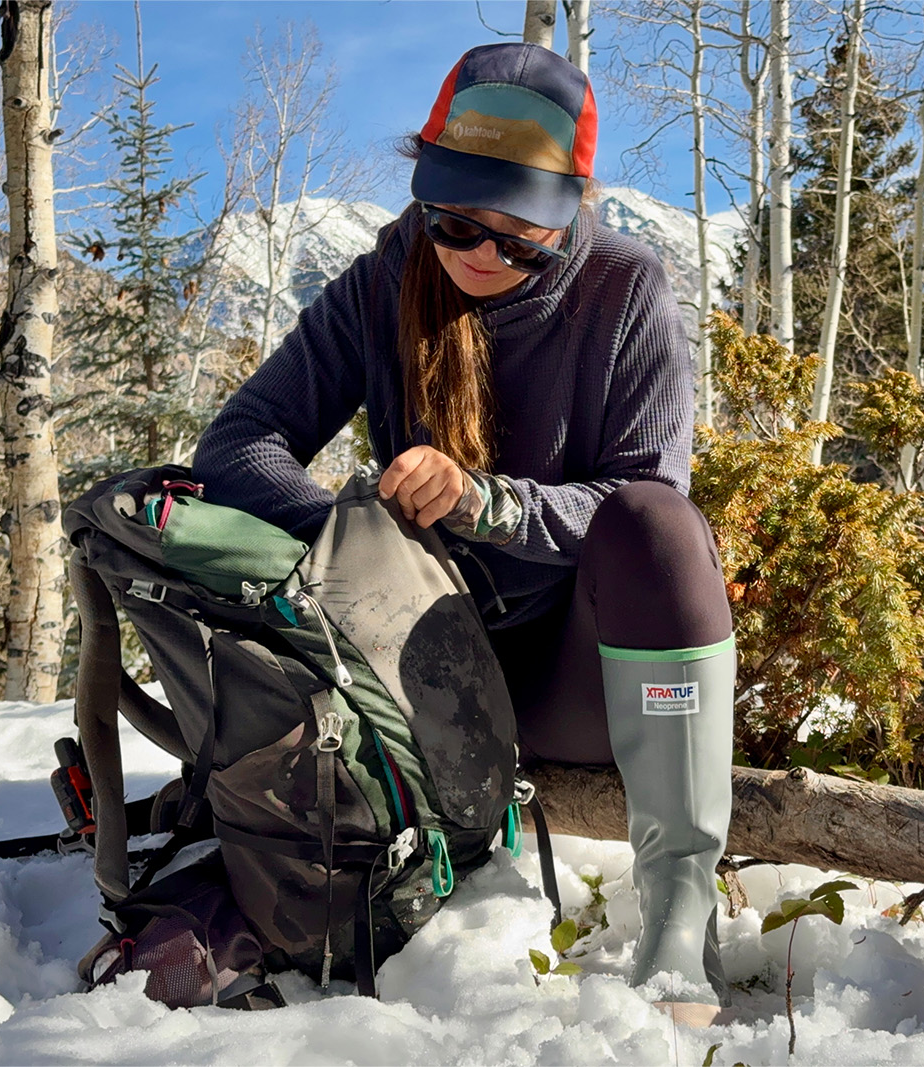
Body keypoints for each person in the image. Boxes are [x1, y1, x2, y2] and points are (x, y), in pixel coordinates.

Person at [193, 42, 734, 1025]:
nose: (484, 255)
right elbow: (238, 442)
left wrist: (490, 503)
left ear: (570, 209)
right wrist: (362, 538)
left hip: (576, 687)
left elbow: (643, 499)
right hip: (419, 681)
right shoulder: (383, 281)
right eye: (454, 224)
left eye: (520, 237)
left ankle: (680, 912)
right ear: (422, 192)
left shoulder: (624, 290)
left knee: (660, 527)